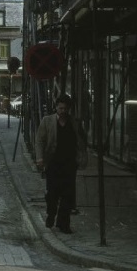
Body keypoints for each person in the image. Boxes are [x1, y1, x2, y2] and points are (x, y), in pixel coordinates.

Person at [35, 94, 88, 234]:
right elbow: (40, 140)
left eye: (65, 108)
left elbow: (81, 142)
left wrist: (82, 158)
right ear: (56, 108)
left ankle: (63, 223)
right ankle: (51, 214)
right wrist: (40, 158)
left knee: (67, 195)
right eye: (60, 108)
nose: (63, 111)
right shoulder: (47, 121)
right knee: (52, 193)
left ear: (69, 109)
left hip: (69, 164)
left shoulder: (74, 122)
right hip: (53, 163)